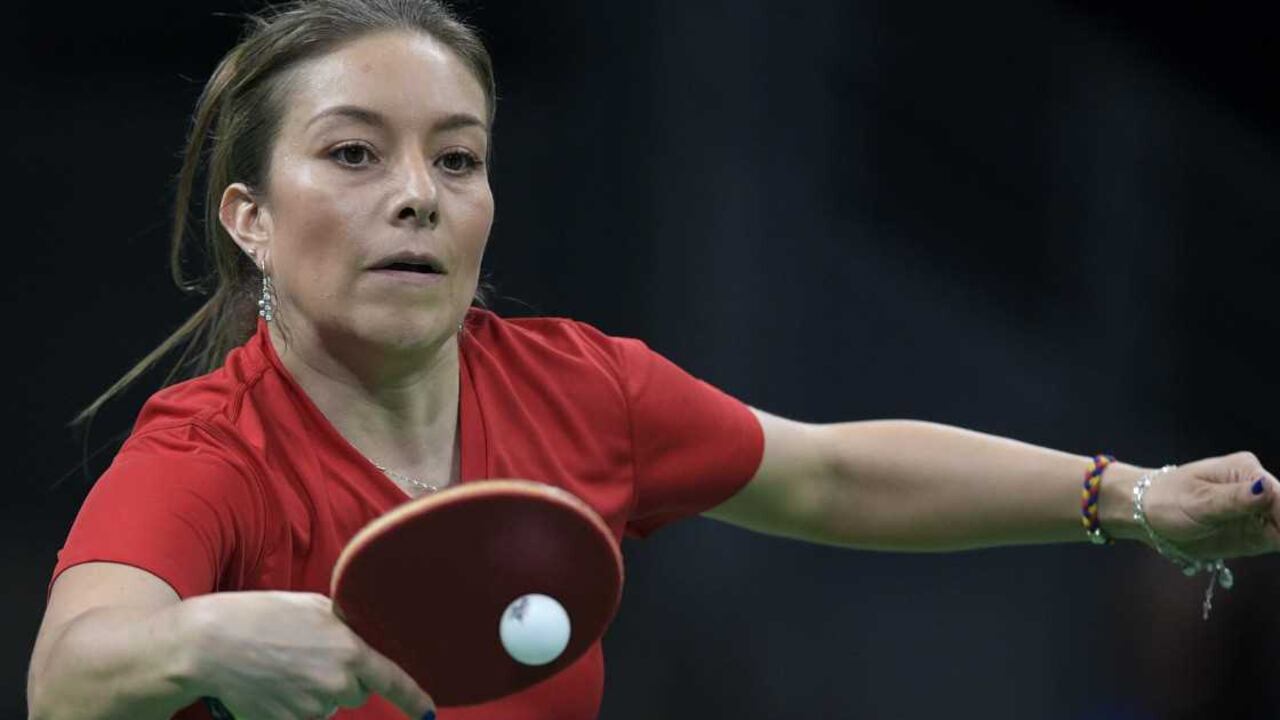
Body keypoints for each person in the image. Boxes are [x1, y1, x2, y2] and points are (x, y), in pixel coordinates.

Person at [26, 1, 1280, 719]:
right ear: (248, 216)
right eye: (354, 154)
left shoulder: (579, 389)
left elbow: (828, 476)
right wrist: (200, 646)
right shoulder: (210, 448)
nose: (417, 198)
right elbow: (71, 671)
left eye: (456, 159)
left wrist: (1137, 498)